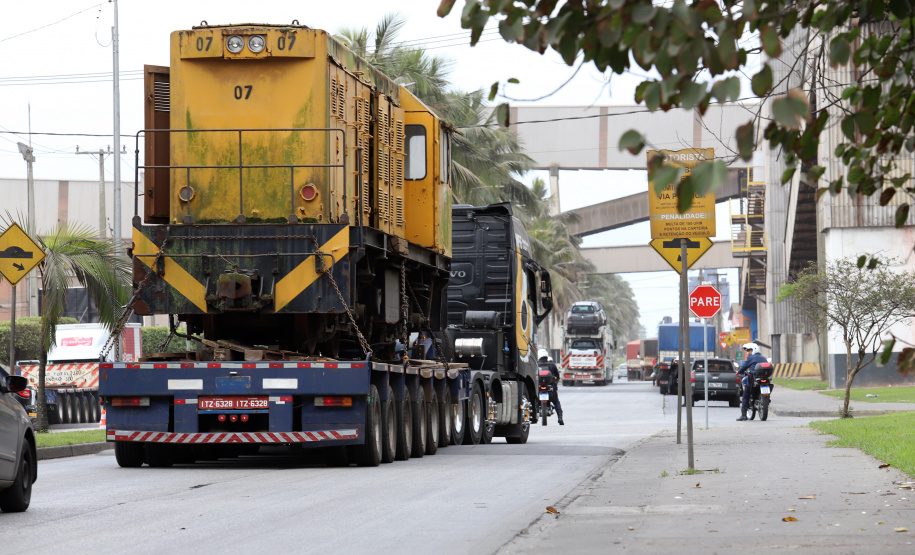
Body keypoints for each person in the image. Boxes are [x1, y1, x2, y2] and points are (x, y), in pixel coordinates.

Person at [736, 342, 767, 421]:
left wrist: (739, 371)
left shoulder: (751, 358)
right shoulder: (764, 358)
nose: (748, 352)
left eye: (749, 350)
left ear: (754, 350)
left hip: (754, 379)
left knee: (745, 395)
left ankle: (743, 415)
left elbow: (744, 366)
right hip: (764, 379)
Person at [538, 355, 564, 425]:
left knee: (533, 401)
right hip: (550, 388)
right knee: (556, 402)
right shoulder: (552, 365)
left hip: (538, 388)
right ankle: (560, 417)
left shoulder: (536, 365)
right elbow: (557, 376)